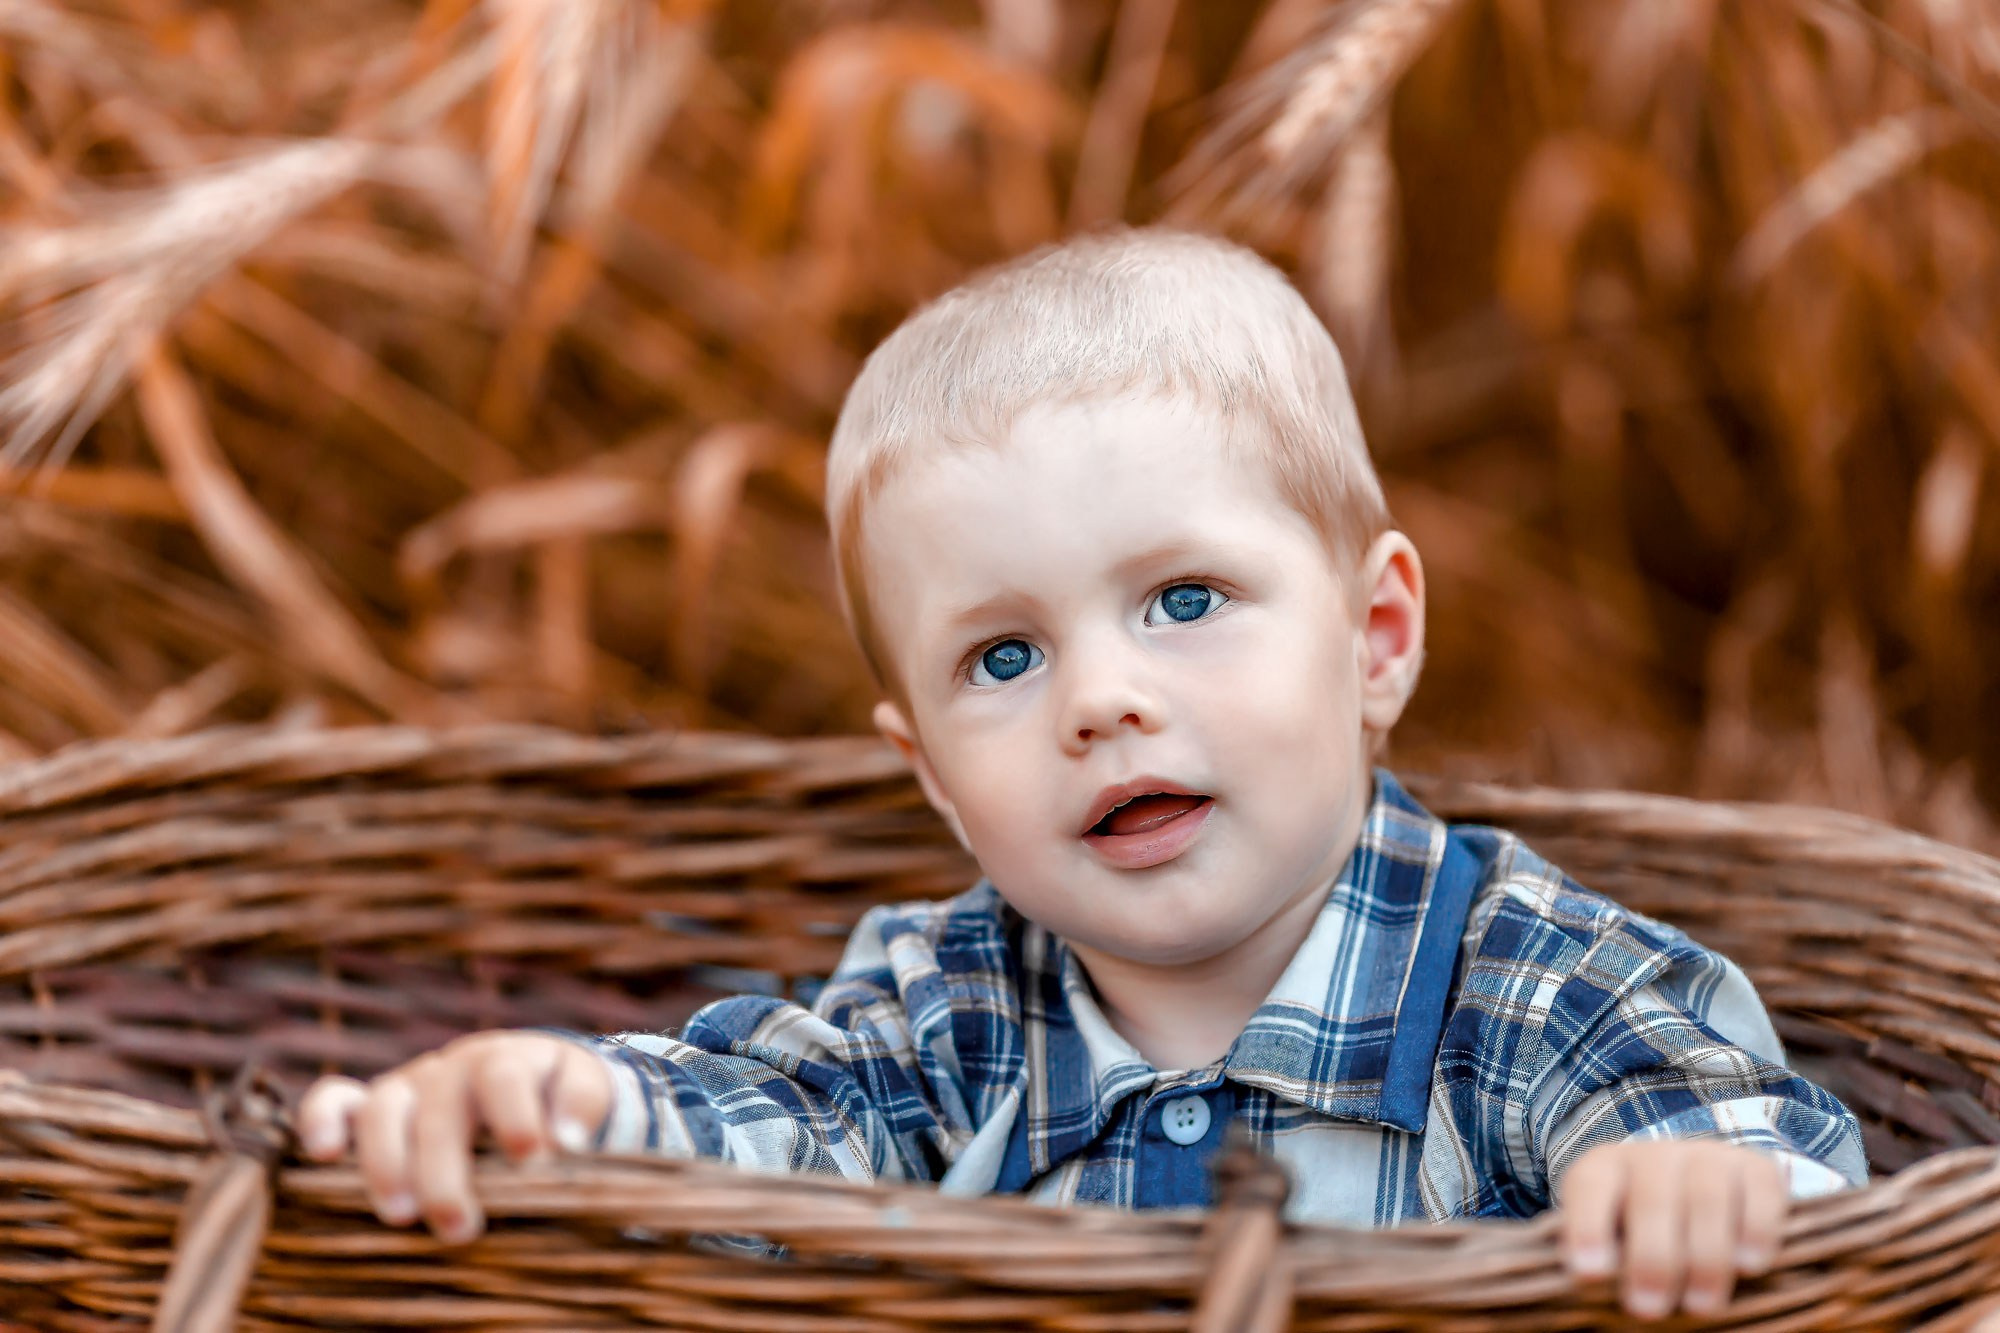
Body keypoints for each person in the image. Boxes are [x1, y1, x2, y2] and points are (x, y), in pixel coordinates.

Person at [300, 228, 1865, 1321]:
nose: (1102, 702)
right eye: (1003, 658)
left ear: (1376, 636)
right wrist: (579, 1108)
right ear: (927, 770)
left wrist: (1690, 1191)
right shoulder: (948, 1012)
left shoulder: (1526, 990)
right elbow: (767, 1135)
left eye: (1184, 602)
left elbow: (1750, 1148)